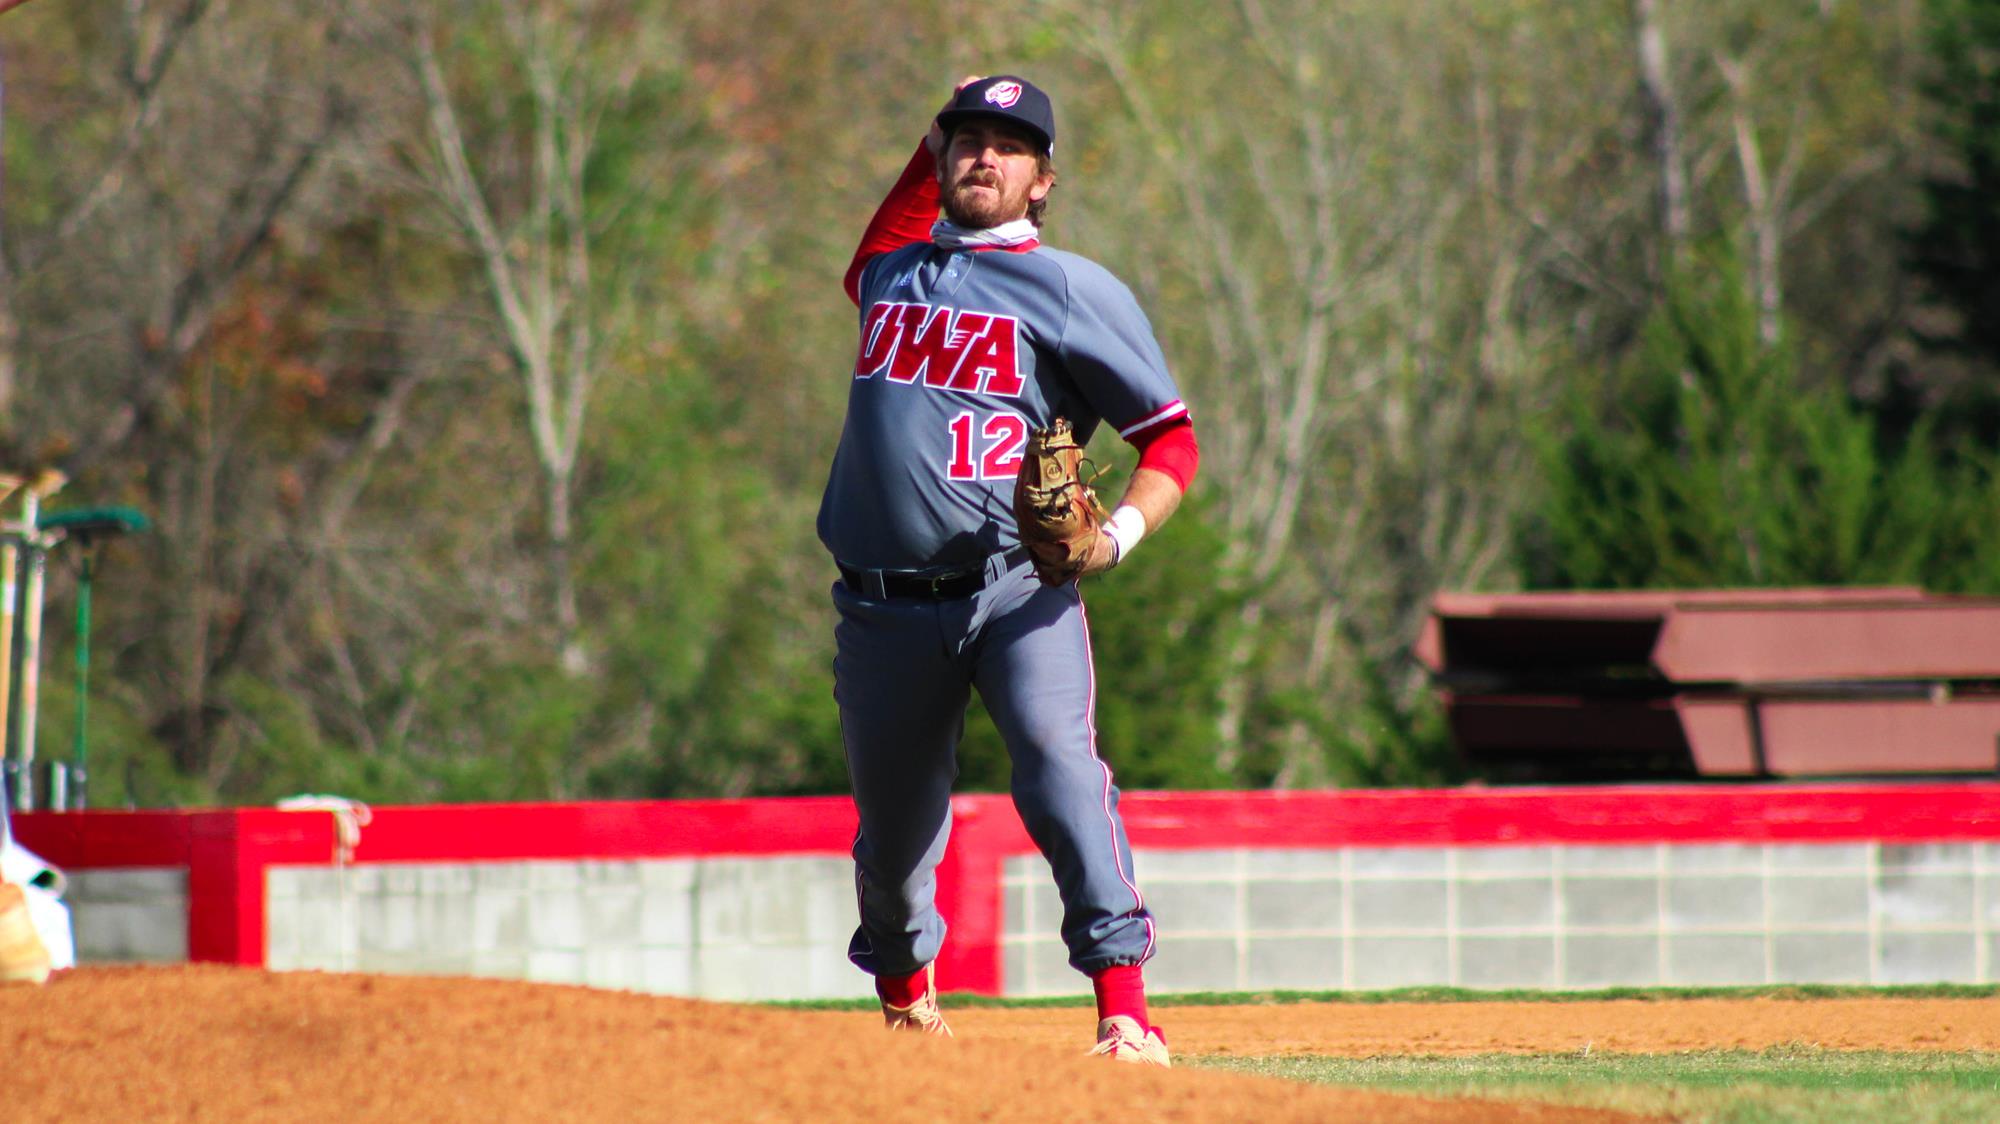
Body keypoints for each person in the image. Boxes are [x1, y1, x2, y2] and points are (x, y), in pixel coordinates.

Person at [817, 75, 1200, 1066]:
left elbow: (1171, 443)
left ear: (1043, 180)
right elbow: (918, 178)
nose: (983, 154)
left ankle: (1125, 1012)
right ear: (938, 159)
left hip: (1013, 589)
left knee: (1061, 772)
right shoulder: (885, 275)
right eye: (967, 139)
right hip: (880, 602)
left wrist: (1112, 535)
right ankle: (908, 1008)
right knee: (895, 838)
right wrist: (944, 115)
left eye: (1010, 144)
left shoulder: (1072, 288)